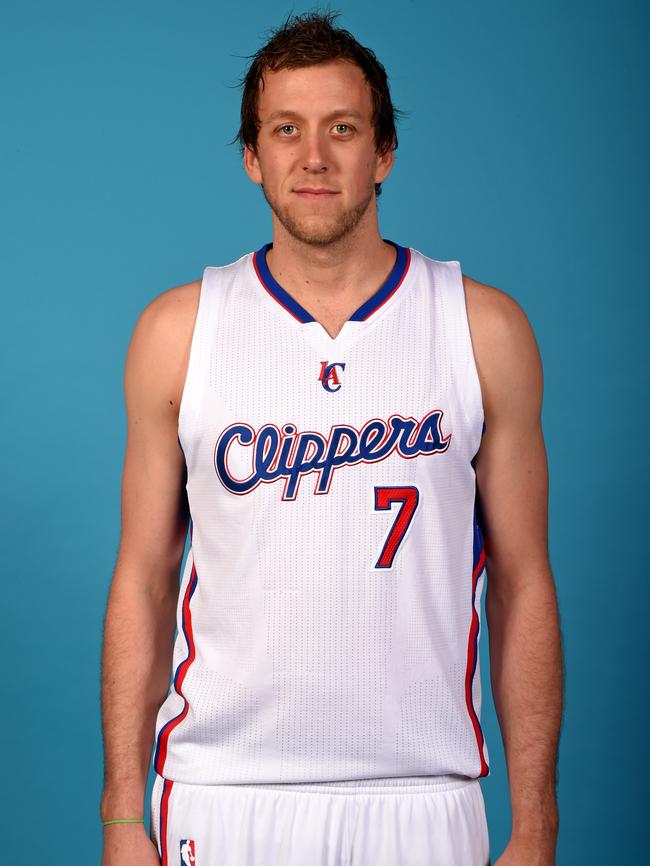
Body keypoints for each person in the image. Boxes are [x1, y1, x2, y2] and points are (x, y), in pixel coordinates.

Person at [100, 11, 563, 866]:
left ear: (383, 153)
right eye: (286, 131)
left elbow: (523, 582)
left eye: (342, 129)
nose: (314, 157)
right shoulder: (179, 330)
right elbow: (143, 578)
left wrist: (535, 824)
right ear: (252, 156)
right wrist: (122, 819)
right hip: (221, 791)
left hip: (423, 797)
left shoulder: (481, 328)